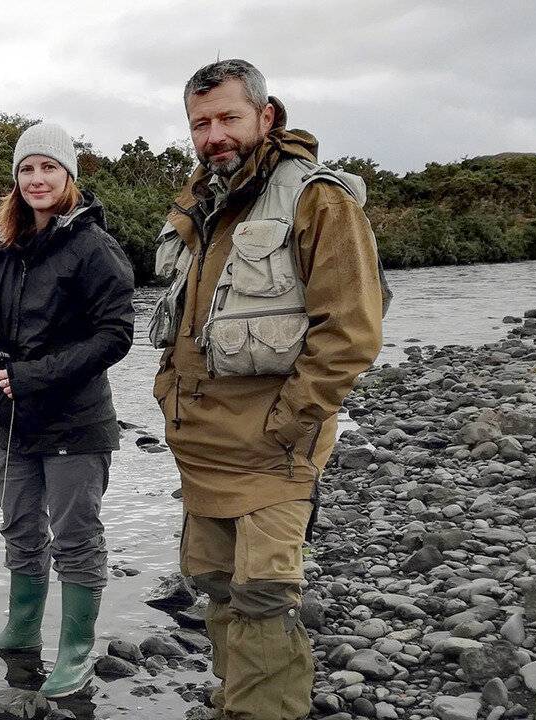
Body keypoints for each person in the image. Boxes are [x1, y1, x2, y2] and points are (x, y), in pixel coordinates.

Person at [148, 60, 386, 719]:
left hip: (274, 453)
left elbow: (351, 333)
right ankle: (236, 702)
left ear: (266, 115)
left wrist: (290, 422)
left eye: (228, 117)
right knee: (218, 588)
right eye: (201, 123)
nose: (214, 135)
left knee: (263, 598)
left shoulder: (318, 199)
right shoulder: (202, 202)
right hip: (203, 450)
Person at [0, 122, 135, 698]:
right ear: (16, 178)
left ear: (68, 175)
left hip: (76, 422)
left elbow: (116, 336)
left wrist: (33, 375)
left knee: (76, 538)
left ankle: (75, 652)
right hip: (13, 420)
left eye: (48, 167)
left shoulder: (94, 247)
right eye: (26, 168)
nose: (37, 178)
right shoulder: (1, 248)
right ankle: (21, 629)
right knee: (19, 527)